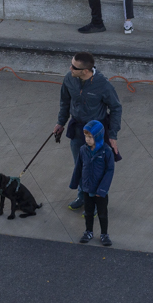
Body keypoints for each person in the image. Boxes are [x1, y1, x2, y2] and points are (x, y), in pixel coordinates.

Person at [53, 52, 122, 210]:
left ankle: (96, 202)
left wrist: (112, 135)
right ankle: (82, 195)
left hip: (96, 132)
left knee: (96, 168)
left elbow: (116, 108)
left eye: (74, 67)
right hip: (77, 129)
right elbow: (65, 101)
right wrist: (61, 122)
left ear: (85, 71)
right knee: (80, 165)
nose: (70, 68)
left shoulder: (103, 85)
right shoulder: (69, 78)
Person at [70, 120, 115, 246]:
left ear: (98, 136)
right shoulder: (83, 150)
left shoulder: (106, 151)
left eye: (90, 137)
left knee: (102, 213)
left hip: (100, 191)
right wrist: (75, 183)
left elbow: (109, 171)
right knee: (88, 212)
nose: (87, 139)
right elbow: (78, 167)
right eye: (85, 136)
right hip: (87, 188)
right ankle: (88, 231)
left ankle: (104, 234)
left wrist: (102, 189)